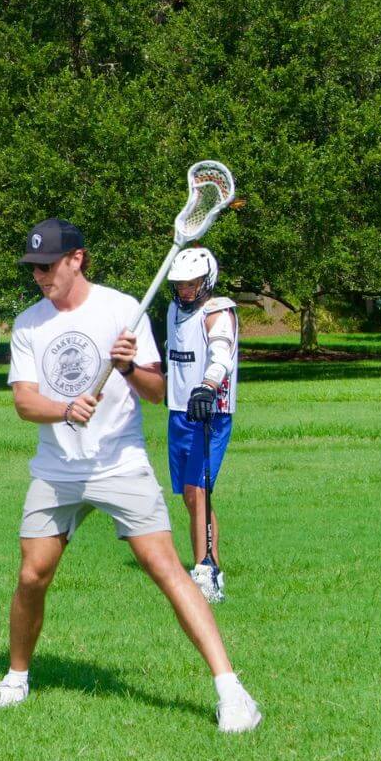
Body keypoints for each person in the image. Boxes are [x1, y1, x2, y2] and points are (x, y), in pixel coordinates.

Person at [0, 218, 259, 733]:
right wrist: (65, 410)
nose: (40, 277)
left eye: (47, 267)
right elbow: (24, 402)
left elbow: (158, 393)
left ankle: (232, 692)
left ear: (77, 259)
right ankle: (16, 677)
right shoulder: (28, 323)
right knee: (32, 575)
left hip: (119, 463)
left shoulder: (123, 310)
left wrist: (130, 366)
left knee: (166, 569)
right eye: (33, 269)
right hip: (57, 468)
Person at [164, 247, 238, 603]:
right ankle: (204, 565)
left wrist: (207, 387)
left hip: (208, 412)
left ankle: (208, 572)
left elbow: (221, 354)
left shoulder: (218, 312)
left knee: (198, 491)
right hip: (178, 412)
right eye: (179, 284)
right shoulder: (174, 311)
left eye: (191, 284)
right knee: (189, 496)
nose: (185, 290)